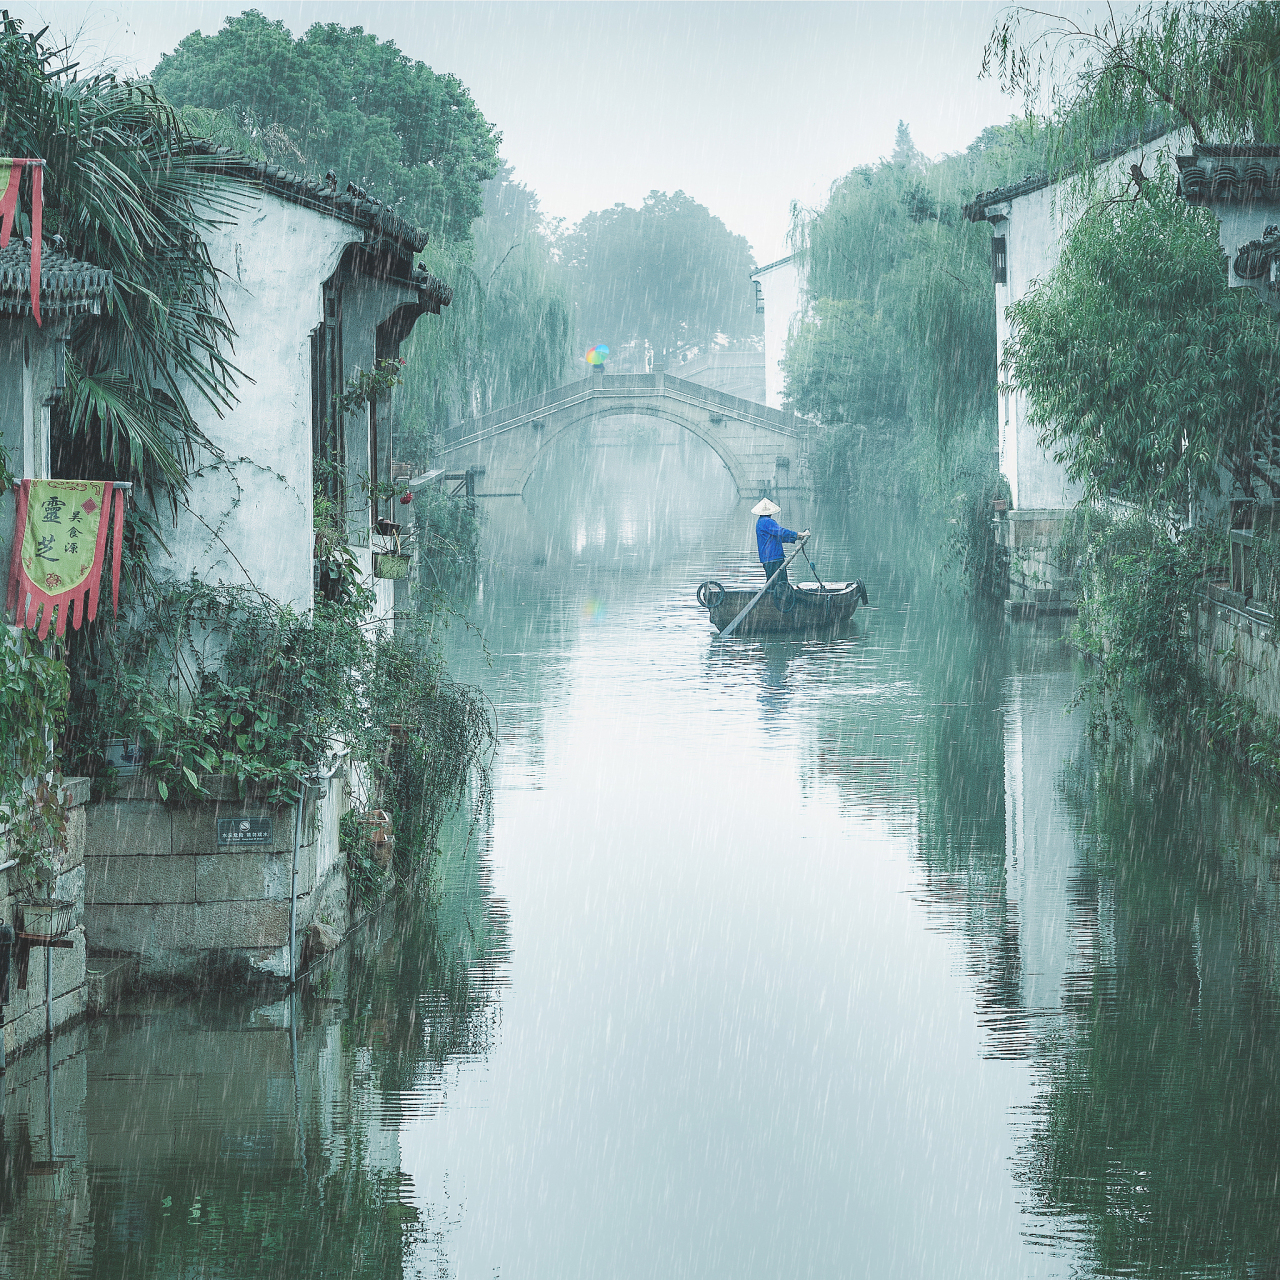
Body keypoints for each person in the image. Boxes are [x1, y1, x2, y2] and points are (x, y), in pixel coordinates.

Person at [751, 499, 808, 597]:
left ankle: (771, 601)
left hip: (768, 558)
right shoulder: (767, 522)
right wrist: (799, 534)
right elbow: (781, 532)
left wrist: (797, 537)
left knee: (773, 584)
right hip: (773, 558)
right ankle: (779, 602)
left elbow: (778, 537)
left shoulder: (760, 522)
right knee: (781, 584)